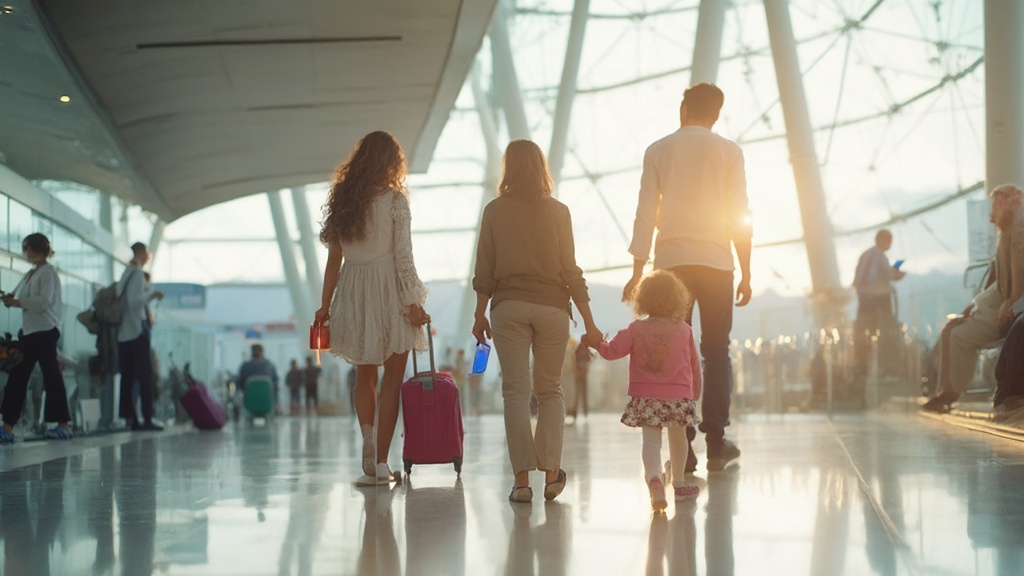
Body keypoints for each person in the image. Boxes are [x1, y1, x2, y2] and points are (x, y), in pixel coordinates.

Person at [624, 83, 751, 473]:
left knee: (678, 350)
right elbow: (739, 213)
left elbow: (646, 211)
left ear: (683, 110)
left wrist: (637, 271)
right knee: (716, 350)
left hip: (672, 263)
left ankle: (686, 446)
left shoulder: (658, 150)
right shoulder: (730, 151)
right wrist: (746, 271)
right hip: (716, 262)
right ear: (716, 114)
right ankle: (716, 441)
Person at [471, 139, 603, 504]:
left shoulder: (494, 211)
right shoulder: (558, 212)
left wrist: (479, 313)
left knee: (515, 392)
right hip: (552, 309)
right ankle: (551, 476)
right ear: (542, 168)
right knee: (550, 391)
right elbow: (571, 270)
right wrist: (589, 323)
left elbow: (485, 270)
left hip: (508, 307)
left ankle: (521, 482)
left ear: (508, 169)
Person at [315, 130, 430, 484]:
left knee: (365, 376)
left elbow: (334, 259)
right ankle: (381, 463)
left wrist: (325, 307)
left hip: (353, 289)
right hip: (389, 291)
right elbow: (403, 257)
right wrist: (413, 302)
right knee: (392, 381)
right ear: (392, 163)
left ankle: (367, 434)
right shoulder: (395, 202)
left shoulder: (345, 200)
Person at [592, 271, 702, 510]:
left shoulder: (636, 328)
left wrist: (596, 343)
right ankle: (680, 484)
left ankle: (654, 478)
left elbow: (612, 351)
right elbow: (695, 364)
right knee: (678, 437)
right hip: (679, 396)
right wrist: (695, 392)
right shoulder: (685, 330)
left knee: (651, 442)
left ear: (642, 299)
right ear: (677, 299)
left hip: (646, 397)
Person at [924, 184, 1024, 412]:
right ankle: (946, 390)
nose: (992, 217)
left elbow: (1016, 284)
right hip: (994, 305)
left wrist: (1008, 305)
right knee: (950, 330)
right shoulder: (1008, 235)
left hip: (1003, 308)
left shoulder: (1017, 233)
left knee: (957, 335)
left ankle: (949, 392)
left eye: (995, 209)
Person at [0, 233, 73, 442]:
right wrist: (10, 299)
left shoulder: (48, 273)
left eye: (27, 248)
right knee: (18, 377)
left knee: (51, 377)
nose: (25, 252)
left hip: (44, 331)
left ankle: (63, 425)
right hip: (30, 332)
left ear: (38, 249)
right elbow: (18, 296)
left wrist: (18, 303)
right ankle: (7, 427)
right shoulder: (30, 274)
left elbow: (43, 302)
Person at [117, 241, 164, 431]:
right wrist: (151, 295)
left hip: (124, 333)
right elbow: (134, 302)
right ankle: (148, 418)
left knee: (127, 377)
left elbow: (122, 297)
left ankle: (130, 418)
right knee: (146, 376)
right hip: (137, 331)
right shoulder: (137, 275)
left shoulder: (125, 273)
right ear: (143, 254)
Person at [852, 229, 905, 379]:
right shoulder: (878, 256)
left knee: (865, 334)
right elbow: (886, 275)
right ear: (883, 240)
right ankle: (881, 369)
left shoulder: (867, 255)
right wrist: (896, 275)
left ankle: (864, 368)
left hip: (866, 299)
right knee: (881, 333)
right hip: (876, 301)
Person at [238, 344, 280, 411]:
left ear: (252, 352)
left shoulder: (245, 367)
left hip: (250, 404)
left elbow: (241, 386)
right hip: (267, 403)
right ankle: (276, 408)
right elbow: (275, 383)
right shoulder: (270, 366)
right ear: (262, 352)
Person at [573, 339, 593, 419]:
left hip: (583, 373)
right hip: (578, 374)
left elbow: (590, 359)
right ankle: (575, 412)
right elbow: (574, 360)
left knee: (583, 393)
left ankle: (585, 411)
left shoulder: (585, 350)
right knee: (577, 393)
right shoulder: (577, 351)